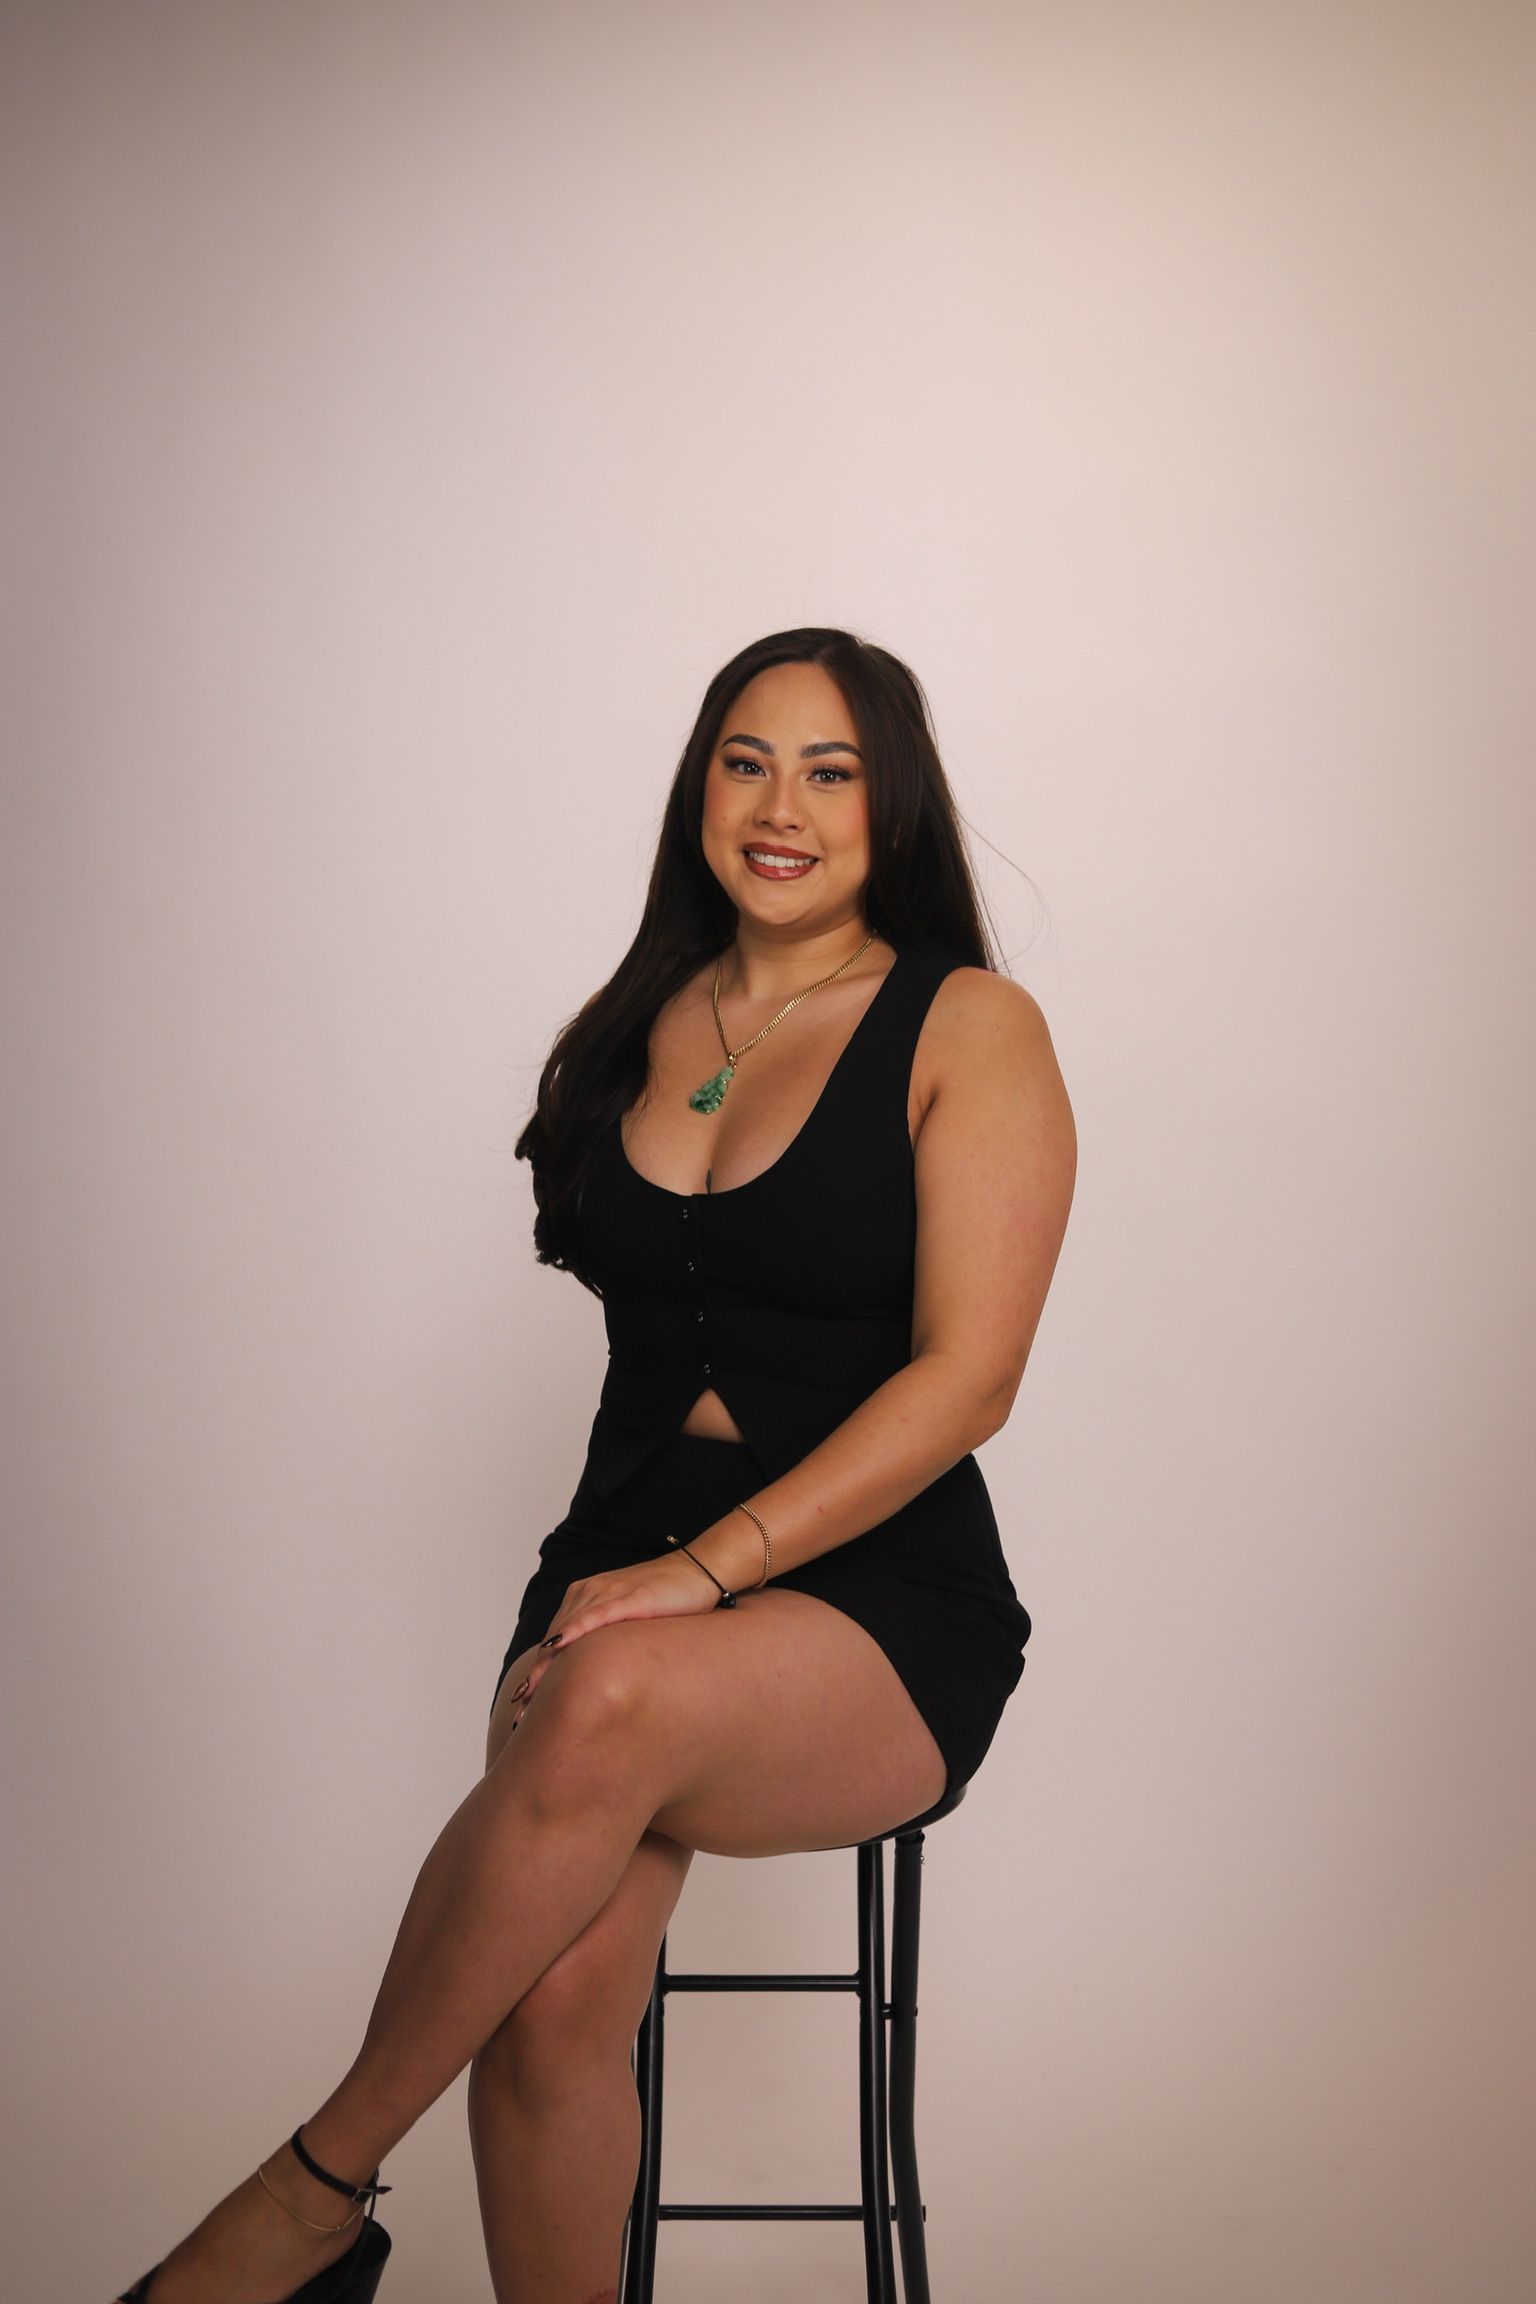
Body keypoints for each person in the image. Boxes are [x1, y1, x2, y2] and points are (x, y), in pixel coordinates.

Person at [113, 626, 1077, 2304]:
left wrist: (700, 1577)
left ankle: (310, 2195)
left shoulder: (966, 1024)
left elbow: (970, 1380)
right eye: (745, 761)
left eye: (832, 772)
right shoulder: (645, 1016)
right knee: (555, 2001)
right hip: (616, 1565)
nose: (782, 807)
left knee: (611, 1697)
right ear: (700, 785)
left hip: (876, 1597)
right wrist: (640, 1578)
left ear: (896, 807)